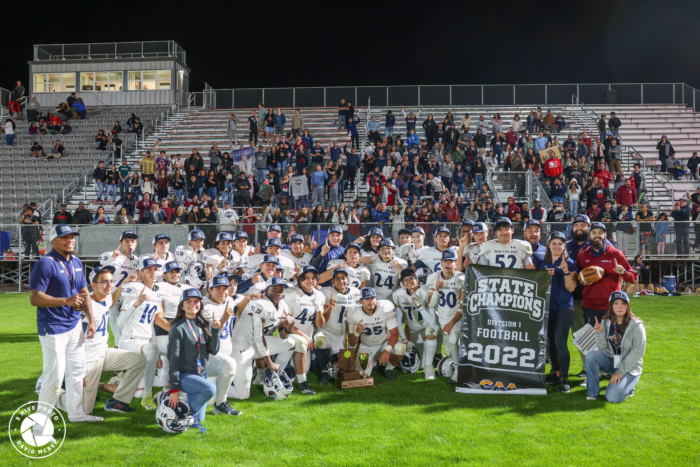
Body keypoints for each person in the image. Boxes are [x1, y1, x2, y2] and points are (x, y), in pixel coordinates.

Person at [29, 225, 102, 425]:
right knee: (54, 377)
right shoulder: (45, 263)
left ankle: (77, 414)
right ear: (53, 241)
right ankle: (39, 427)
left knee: (77, 372)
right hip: (52, 327)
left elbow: (84, 292)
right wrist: (65, 301)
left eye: (71, 237)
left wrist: (91, 320)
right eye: (64, 237)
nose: (70, 240)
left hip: (74, 325)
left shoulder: (76, 261)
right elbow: (35, 298)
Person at [57, 266, 147, 414]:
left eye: (111, 281)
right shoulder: (83, 304)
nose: (109, 285)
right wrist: (74, 369)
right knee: (85, 410)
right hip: (87, 359)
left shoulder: (106, 298)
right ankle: (55, 393)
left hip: (103, 353)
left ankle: (117, 401)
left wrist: (124, 282)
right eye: (104, 282)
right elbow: (68, 337)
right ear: (93, 285)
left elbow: (113, 298)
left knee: (138, 361)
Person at [166, 288, 219, 427]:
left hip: (201, 375)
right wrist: (174, 389)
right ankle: (181, 413)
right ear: (182, 306)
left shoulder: (202, 322)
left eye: (196, 301)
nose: (193, 304)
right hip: (185, 376)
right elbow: (173, 359)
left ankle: (183, 412)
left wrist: (215, 330)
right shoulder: (177, 327)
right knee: (210, 389)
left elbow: (213, 350)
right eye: (188, 301)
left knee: (198, 421)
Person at [117, 258, 164, 409]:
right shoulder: (135, 289)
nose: (152, 272)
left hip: (144, 342)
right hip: (129, 339)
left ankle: (100, 386)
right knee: (153, 350)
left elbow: (151, 325)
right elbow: (120, 323)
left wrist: (156, 351)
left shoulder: (156, 294)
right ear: (141, 273)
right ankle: (148, 397)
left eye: (155, 269)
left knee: (135, 392)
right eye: (148, 269)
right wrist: (135, 304)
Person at [586, 291, 646, 402]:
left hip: (629, 366)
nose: (620, 306)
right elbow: (603, 348)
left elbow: (638, 352)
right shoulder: (606, 321)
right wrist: (599, 333)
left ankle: (628, 386)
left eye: (623, 303)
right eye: (616, 303)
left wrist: (620, 372)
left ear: (627, 306)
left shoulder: (637, 325)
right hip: (613, 361)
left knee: (612, 398)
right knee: (591, 356)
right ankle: (592, 392)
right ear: (611, 306)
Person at [576, 222, 635, 330]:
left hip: (612, 306)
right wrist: (581, 282)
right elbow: (577, 279)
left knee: (613, 341)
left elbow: (632, 277)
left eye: (600, 232)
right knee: (592, 342)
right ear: (589, 235)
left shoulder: (616, 254)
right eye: (594, 232)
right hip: (590, 306)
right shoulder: (582, 256)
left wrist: (623, 273)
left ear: (605, 235)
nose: (597, 235)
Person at [540, 232, 578, 393]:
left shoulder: (570, 262)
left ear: (564, 246)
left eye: (560, 243)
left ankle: (564, 379)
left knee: (560, 341)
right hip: (548, 309)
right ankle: (555, 372)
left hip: (564, 307)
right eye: (554, 243)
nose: (557, 246)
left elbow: (572, 288)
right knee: (551, 343)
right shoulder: (543, 263)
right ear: (549, 245)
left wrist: (566, 272)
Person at [427, 250, 465, 384]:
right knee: (450, 348)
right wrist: (436, 289)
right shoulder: (434, 277)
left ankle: (457, 373)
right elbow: (430, 304)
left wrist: (451, 323)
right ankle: (458, 368)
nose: (448, 264)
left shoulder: (461, 278)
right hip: (443, 317)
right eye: (445, 261)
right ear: (441, 262)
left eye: (451, 261)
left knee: (453, 338)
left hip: (458, 316)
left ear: (455, 263)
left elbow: (462, 306)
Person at [392, 269, 437, 378]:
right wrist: (404, 339)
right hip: (414, 331)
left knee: (431, 330)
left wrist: (420, 307)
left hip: (429, 327)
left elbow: (432, 321)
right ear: (402, 283)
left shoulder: (426, 291)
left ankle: (429, 367)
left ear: (417, 279)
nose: (408, 281)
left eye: (411, 278)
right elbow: (398, 319)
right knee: (418, 363)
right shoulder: (399, 294)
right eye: (405, 279)